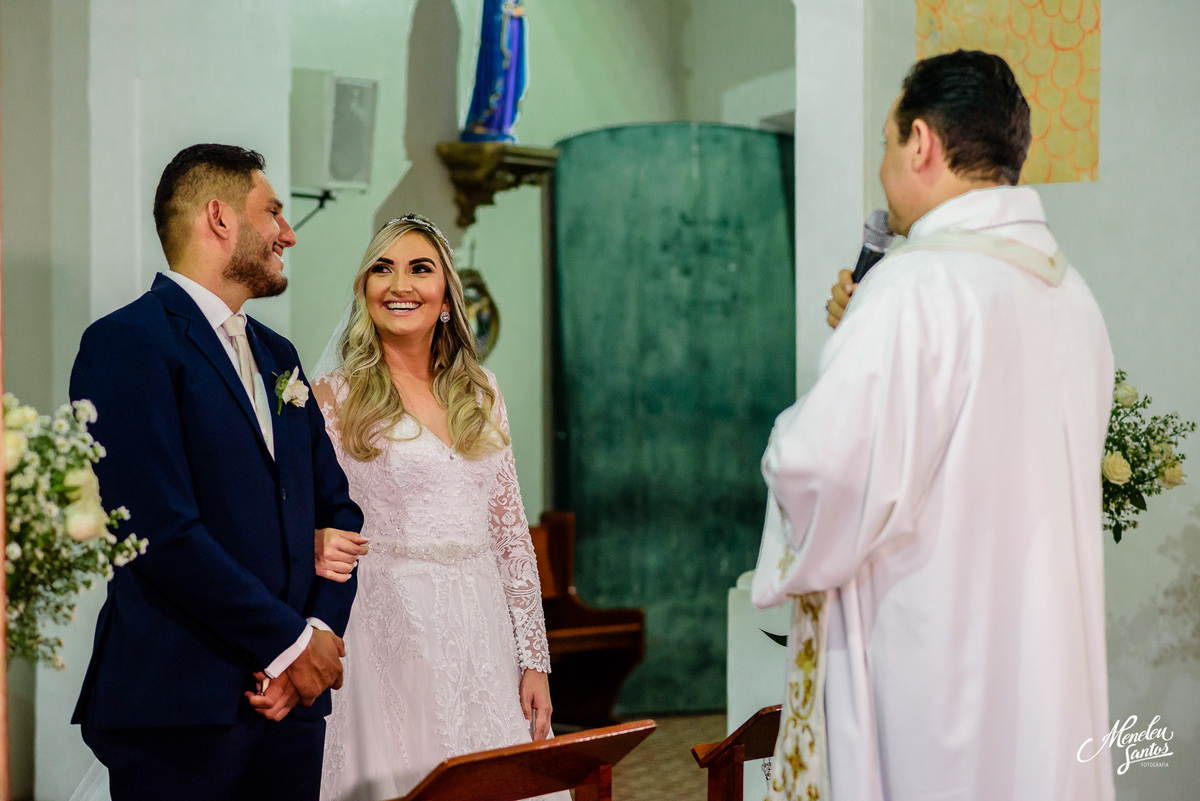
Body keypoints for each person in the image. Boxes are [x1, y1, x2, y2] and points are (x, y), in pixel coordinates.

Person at [752, 50, 1116, 800]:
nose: (882, 171)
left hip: (932, 670)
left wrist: (788, 435)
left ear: (921, 143)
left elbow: (820, 468)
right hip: (1039, 669)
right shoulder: (1072, 295)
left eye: (886, 145)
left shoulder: (914, 286)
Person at [70, 144, 363, 801]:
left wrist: (314, 639)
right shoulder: (129, 343)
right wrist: (291, 645)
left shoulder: (277, 354)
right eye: (274, 212)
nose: (288, 232)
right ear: (219, 218)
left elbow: (336, 513)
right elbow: (162, 531)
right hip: (182, 704)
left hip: (291, 708)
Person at [310, 214, 567, 801]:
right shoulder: (332, 398)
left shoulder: (482, 392)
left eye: (419, 269)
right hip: (384, 627)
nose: (400, 284)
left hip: (482, 630)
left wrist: (534, 660)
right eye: (383, 268)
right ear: (363, 290)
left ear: (446, 294)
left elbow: (509, 536)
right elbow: (303, 517)